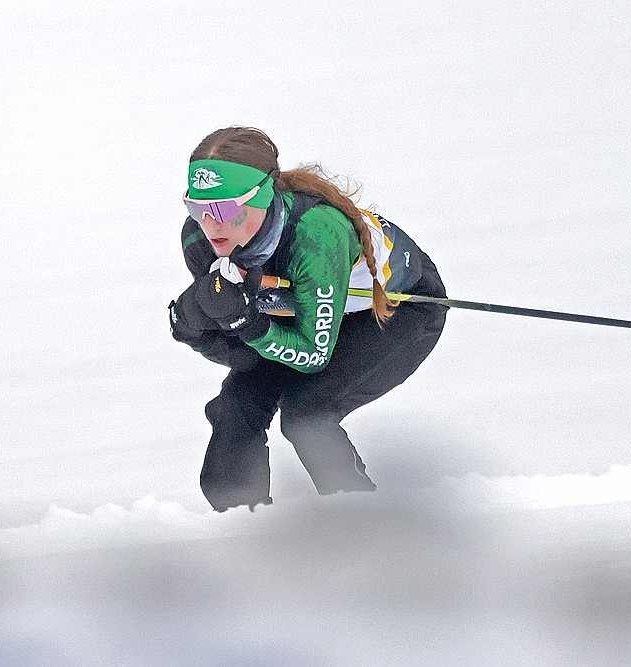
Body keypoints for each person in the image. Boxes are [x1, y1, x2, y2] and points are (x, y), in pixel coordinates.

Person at [168, 127, 448, 512]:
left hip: (396, 311)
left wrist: (248, 325)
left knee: (307, 416)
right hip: (302, 310)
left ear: (263, 197)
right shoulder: (200, 243)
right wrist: (196, 330)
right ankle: (237, 525)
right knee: (236, 407)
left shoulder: (317, 236)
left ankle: (362, 522)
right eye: (198, 208)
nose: (212, 225)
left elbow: (313, 355)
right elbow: (246, 358)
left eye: (226, 209)